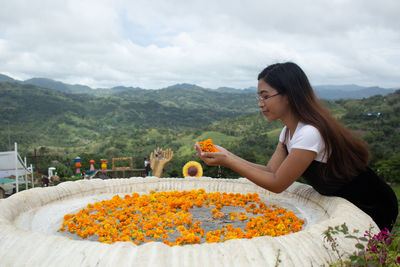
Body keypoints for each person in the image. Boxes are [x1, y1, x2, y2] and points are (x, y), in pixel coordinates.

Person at [195, 62, 398, 231]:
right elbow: (271, 171)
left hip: (372, 204)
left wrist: (228, 161)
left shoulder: (310, 133)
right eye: (259, 97)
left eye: (266, 96)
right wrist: (227, 154)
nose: (260, 103)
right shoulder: (288, 132)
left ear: (289, 95)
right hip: (347, 202)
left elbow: (277, 183)